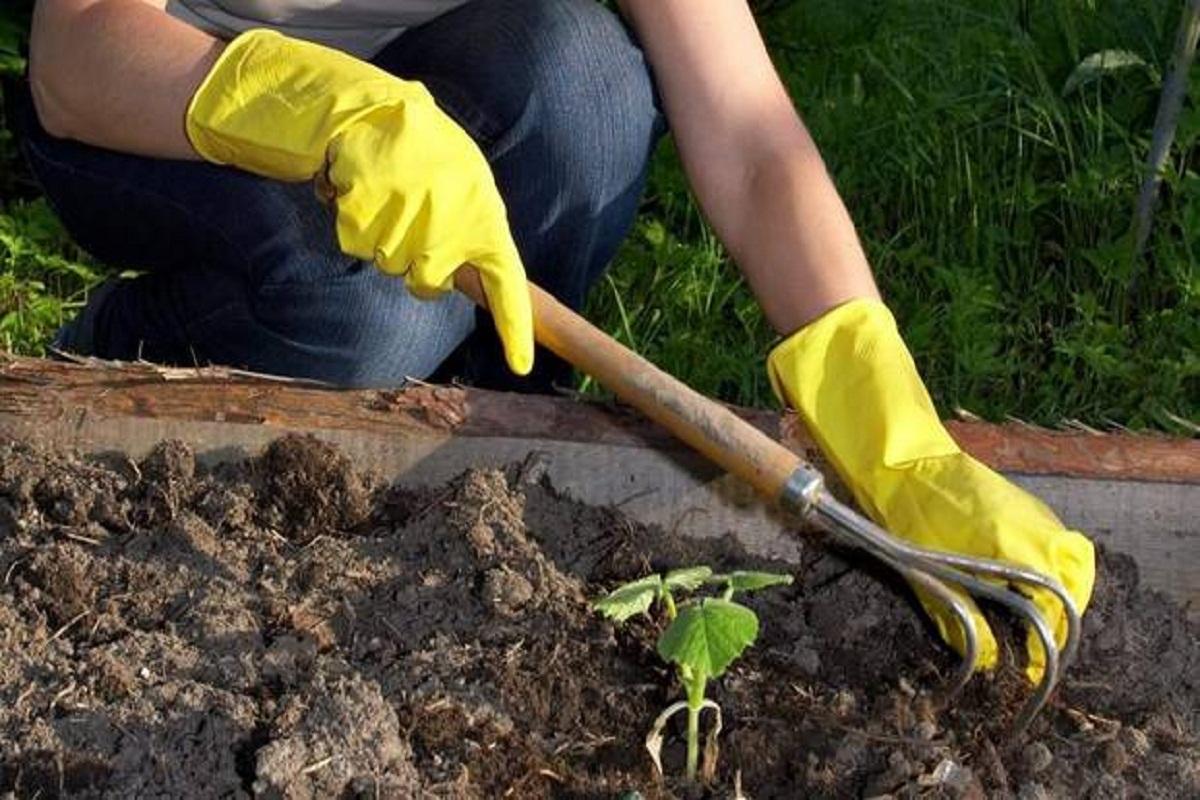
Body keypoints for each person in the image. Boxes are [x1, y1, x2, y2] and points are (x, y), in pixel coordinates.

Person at [20, 0, 1093, 679]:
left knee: (585, 83)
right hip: (175, 101)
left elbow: (753, 132)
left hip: (439, 87)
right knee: (369, 310)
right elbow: (76, 56)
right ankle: (132, 344)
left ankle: (454, 440)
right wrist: (325, 109)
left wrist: (894, 426)